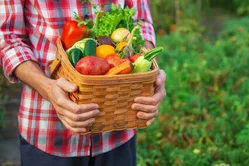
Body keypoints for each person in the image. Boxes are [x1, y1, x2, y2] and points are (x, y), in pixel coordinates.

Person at [0, 1, 166, 165]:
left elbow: (141, 22)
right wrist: (49, 88)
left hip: (119, 127)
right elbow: (8, 39)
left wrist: (149, 75)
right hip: (49, 129)